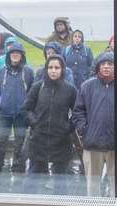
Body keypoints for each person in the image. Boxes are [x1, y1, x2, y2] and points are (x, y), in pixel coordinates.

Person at [24, 55, 78, 188]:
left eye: (57, 68)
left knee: (61, 182)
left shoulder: (70, 90)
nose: (53, 71)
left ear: (62, 70)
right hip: (39, 140)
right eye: (50, 67)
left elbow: (77, 113)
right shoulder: (38, 87)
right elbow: (26, 109)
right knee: (32, 180)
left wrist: (67, 127)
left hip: (60, 141)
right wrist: (35, 123)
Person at [74, 52, 117, 196]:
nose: (106, 67)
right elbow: (78, 111)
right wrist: (84, 131)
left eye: (110, 64)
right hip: (92, 144)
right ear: (98, 67)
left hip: (115, 145)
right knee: (92, 186)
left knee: (116, 186)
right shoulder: (87, 86)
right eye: (103, 64)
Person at [0, 39, 33, 174]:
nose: (15, 55)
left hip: (21, 115)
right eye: (12, 53)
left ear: (22, 55)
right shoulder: (1, 72)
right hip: (4, 113)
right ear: (8, 55)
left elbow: (33, 91)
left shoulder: (28, 72)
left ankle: (18, 171)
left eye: (17, 53)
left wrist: (27, 106)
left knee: (20, 145)